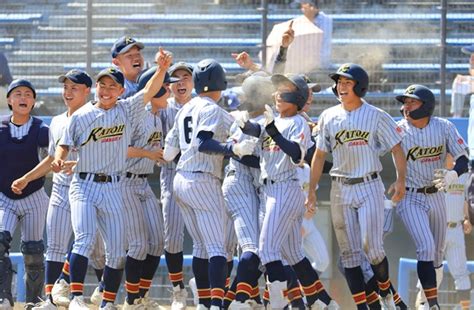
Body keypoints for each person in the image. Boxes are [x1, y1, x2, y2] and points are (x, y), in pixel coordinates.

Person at [50, 49, 171, 310]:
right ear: (96, 87)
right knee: (84, 238)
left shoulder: (127, 110)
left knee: (116, 251)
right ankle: (76, 299)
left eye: (112, 86)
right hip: (84, 184)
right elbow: (65, 144)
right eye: (102, 85)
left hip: (114, 187)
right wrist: (59, 159)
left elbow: (149, 90)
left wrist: (161, 69)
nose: (106, 91)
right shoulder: (82, 115)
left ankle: (106, 303)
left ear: (120, 91)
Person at [306, 63, 406, 309]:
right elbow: (319, 156)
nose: (341, 86)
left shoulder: (376, 115)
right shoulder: (329, 116)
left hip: (369, 184)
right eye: (339, 82)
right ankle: (363, 306)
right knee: (349, 254)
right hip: (340, 188)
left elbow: (396, 148)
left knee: (371, 248)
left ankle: (385, 292)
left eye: (347, 82)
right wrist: (311, 190)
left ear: (360, 86)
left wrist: (401, 179)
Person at [236, 74, 338, 309]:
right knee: (293, 253)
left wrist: (273, 131)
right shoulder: (274, 119)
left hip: (284, 187)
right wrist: (245, 124)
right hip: (273, 189)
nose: (278, 94)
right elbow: (258, 131)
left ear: (297, 98)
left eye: (285, 91)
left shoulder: (298, 122)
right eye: (278, 90)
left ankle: (278, 302)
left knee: (267, 250)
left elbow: (296, 154)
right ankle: (321, 301)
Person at [9, 70, 107, 310]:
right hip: (61, 189)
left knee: (94, 248)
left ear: (88, 90)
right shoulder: (57, 121)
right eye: (65, 87)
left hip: (87, 188)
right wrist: (26, 178)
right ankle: (51, 300)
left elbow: (107, 155)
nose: (68, 92)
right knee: (54, 245)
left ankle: (87, 296)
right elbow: (52, 157)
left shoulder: (98, 117)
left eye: (74, 87)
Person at [163, 59, 256, 310]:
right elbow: (204, 143)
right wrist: (232, 148)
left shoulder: (186, 107)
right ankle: (216, 304)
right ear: (220, 83)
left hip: (180, 179)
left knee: (201, 248)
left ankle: (204, 304)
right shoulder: (211, 109)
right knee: (217, 248)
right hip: (203, 178)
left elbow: (169, 153)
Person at [395, 84, 469, 310]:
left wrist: (452, 173)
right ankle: (433, 305)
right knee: (426, 246)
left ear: (425, 105)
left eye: (412, 102)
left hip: (436, 194)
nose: (407, 106)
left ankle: (423, 302)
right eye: (405, 102)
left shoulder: (443, 127)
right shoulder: (398, 129)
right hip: (410, 195)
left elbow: (464, 159)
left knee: (436, 255)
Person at [121, 66, 177, 310]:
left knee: (157, 241)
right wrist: (148, 153)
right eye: (166, 87)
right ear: (154, 89)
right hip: (124, 182)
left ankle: (140, 297)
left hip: (143, 182)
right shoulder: (137, 114)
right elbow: (118, 149)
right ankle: (131, 301)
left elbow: (158, 152)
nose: (170, 91)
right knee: (138, 245)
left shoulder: (157, 116)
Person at [0, 79, 50, 309]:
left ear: (34, 101)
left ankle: (34, 301)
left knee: (33, 251)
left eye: (28, 94)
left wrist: (27, 179)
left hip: (34, 196)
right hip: (4, 197)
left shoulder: (41, 129)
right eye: (17, 93)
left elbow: (53, 158)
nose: (23, 97)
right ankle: (4, 297)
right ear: (9, 100)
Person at [159, 61, 194, 310]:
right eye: (175, 78)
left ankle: (204, 287)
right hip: (171, 174)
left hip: (200, 176)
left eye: (186, 77)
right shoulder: (163, 109)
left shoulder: (202, 107)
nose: (180, 82)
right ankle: (178, 290)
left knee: (210, 236)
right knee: (171, 238)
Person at [293, 0, 332, 68]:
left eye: (305, 6)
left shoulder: (325, 19)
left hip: (320, 62)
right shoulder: (300, 21)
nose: (303, 9)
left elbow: (319, 43)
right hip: (306, 62)